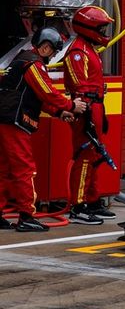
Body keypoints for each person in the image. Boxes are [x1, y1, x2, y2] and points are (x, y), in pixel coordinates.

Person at [0, 27, 86, 232]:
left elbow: (35, 96)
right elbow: (47, 93)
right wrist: (71, 106)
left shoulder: (21, 60)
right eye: (54, 51)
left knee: (3, 169)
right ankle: (26, 216)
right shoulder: (34, 64)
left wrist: (58, 113)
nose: (54, 55)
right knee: (24, 169)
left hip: (5, 119)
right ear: (45, 47)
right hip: (15, 122)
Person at [64, 6, 117, 225]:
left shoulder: (89, 49)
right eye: (101, 27)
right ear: (88, 27)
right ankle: (78, 206)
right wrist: (87, 118)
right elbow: (79, 87)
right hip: (85, 109)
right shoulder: (78, 52)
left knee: (95, 156)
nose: (104, 32)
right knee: (85, 155)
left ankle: (92, 200)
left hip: (95, 107)